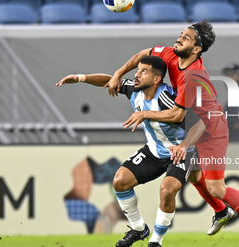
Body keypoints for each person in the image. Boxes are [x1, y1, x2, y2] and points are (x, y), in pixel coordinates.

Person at [105, 21, 239, 247]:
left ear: (196, 49)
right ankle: (222, 212)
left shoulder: (193, 75)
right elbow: (142, 55)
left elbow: (176, 114)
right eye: (181, 34)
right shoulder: (170, 55)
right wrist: (118, 73)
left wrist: (145, 113)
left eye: (187, 38)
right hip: (191, 122)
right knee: (194, 176)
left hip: (210, 129)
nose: (180, 38)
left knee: (216, 187)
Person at [56, 55, 206, 247]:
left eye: (144, 71)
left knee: (167, 191)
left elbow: (199, 125)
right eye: (138, 70)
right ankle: (138, 228)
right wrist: (80, 78)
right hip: (154, 151)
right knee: (120, 181)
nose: (137, 75)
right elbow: (110, 80)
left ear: (156, 79)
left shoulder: (166, 98)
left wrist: (183, 146)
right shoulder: (134, 89)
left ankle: (155, 242)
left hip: (180, 151)